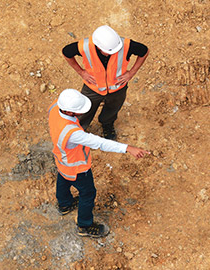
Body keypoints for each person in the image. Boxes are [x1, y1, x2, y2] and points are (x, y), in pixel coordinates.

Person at [48, 88, 150, 238]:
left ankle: (64, 204)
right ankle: (84, 225)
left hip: (62, 160)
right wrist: (127, 148)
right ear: (69, 112)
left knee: (63, 178)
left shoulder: (55, 106)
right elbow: (98, 142)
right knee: (88, 193)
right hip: (77, 168)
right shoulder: (73, 134)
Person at [62, 25, 149, 140]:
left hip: (118, 88)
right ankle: (79, 130)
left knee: (112, 109)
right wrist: (81, 72)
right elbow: (66, 53)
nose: (114, 52)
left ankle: (107, 125)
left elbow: (144, 52)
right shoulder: (85, 47)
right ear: (98, 47)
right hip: (92, 88)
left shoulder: (125, 45)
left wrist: (131, 73)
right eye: (110, 51)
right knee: (83, 111)